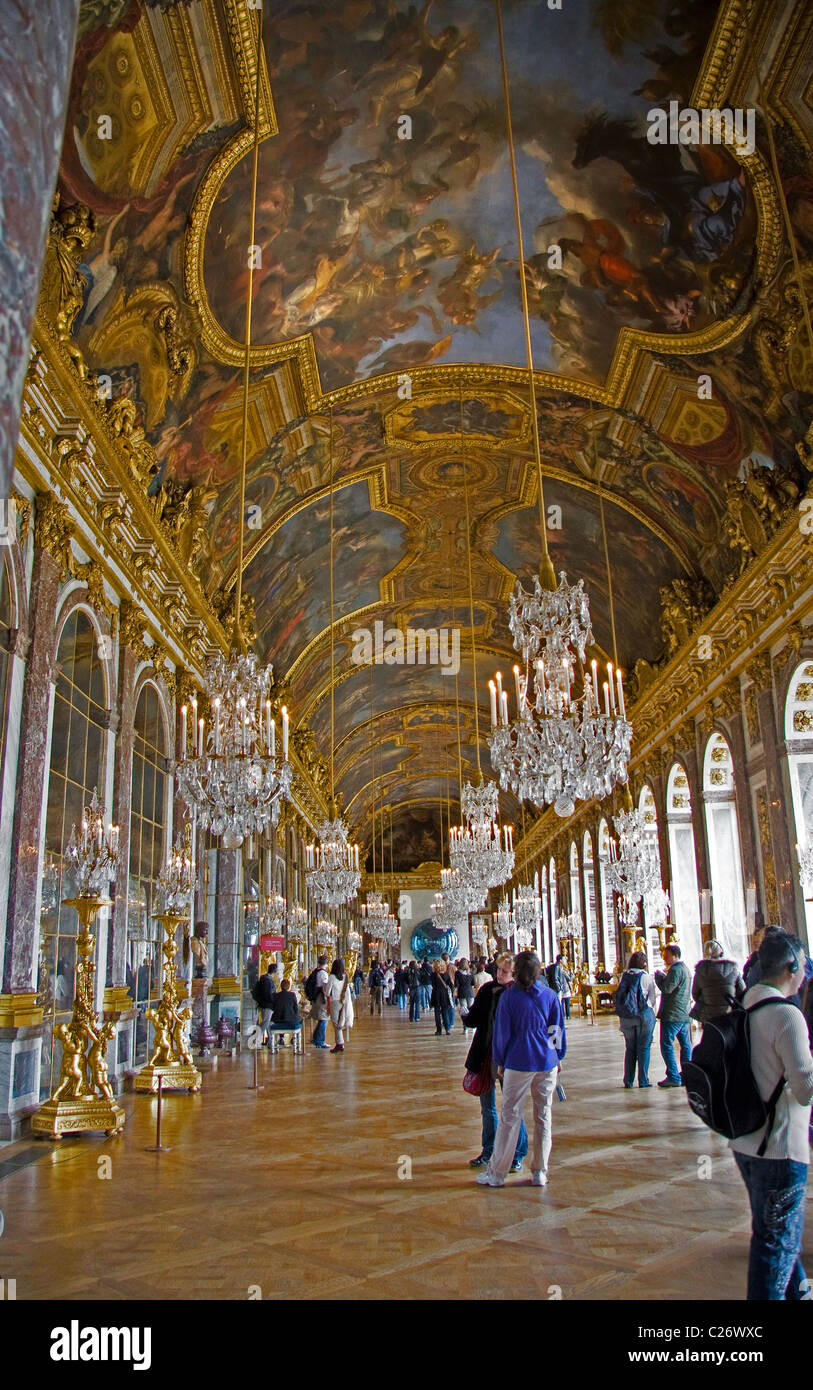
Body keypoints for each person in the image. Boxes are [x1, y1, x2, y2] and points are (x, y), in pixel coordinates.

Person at [731, 928, 813, 1300]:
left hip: (746, 1142)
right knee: (774, 1246)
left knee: (776, 1235)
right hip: (780, 1147)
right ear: (792, 966)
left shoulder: (744, 1005)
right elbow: (805, 1088)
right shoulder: (786, 1015)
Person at [477, 951, 566, 1188]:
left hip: (518, 1060)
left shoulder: (509, 998)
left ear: (516, 972)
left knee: (510, 1117)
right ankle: (540, 1172)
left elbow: (502, 1034)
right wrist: (558, 1055)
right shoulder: (549, 995)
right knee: (543, 1116)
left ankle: (497, 1173)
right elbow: (556, 1030)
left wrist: (501, 1061)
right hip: (546, 1062)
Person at [463, 951, 528, 1172]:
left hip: (509, 1059)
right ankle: (488, 1150)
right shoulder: (487, 990)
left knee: (512, 1108)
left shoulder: (520, 995)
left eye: (505, 971)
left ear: (515, 974)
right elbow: (474, 1019)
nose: (499, 974)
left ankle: (517, 1154)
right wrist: (466, 1016)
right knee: (487, 1108)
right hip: (486, 1056)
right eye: (498, 970)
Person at [615, 950, 656, 1088]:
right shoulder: (646, 977)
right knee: (643, 1048)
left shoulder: (623, 976)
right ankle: (643, 1080)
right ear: (644, 963)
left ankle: (628, 1080)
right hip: (642, 1017)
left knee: (630, 1049)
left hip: (626, 1017)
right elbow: (652, 998)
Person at [654, 944, 693, 1087]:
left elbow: (667, 988)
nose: (664, 957)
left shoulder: (676, 970)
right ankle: (687, 1074)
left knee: (667, 1045)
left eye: (667, 954)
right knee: (685, 1045)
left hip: (672, 1014)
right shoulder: (685, 969)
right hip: (684, 1013)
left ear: (675, 955)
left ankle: (673, 1075)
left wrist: (659, 978)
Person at [691, 938, 745, 1023]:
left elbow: (695, 995)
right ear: (722, 952)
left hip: (708, 1017)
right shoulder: (733, 970)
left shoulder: (700, 971)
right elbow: (742, 991)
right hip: (729, 1015)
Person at [324, 958, 354, 1054]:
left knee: (335, 1022)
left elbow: (328, 991)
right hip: (344, 1000)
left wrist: (324, 990)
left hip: (335, 1001)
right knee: (341, 1021)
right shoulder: (345, 976)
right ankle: (339, 1043)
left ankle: (340, 1043)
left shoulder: (332, 977)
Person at [269, 977, 300, 1046]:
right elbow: (296, 1008)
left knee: (281, 1017)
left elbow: (273, 1008)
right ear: (289, 987)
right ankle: (294, 1038)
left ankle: (281, 1037)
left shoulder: (276, 996)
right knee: (300, 1020)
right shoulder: (292, 995)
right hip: (290, 1019)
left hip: (277, 1019)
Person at [254, 963, 278, 1046]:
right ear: (274, 972)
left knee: (268, 1023)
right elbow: (267, 994)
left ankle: (271, 1041)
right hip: (267, 1005)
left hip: (266, 1004)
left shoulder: (265, 979)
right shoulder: (267, 980)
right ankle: (255, 1040)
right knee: (265, 1023)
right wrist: (274, 1001)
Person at [310, 954, 330, 1049]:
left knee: (321, 1019)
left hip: (316, 997)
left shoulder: (316, 971)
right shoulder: (323, 973)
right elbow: (324, 987)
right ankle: (320, 1041)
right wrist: (328, 998)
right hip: (321, 998)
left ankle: (315, 1038)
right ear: (326, 963)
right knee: (324, 1019)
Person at [431, 959, 456, 1035]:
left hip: (436, 994)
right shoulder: (446, 974)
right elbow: (451, 985)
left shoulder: (433, 975)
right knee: (445, 1012)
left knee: (437, 1013)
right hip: (444, 995)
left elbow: (433, 985)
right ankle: (447, 1029)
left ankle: (439, 1030)